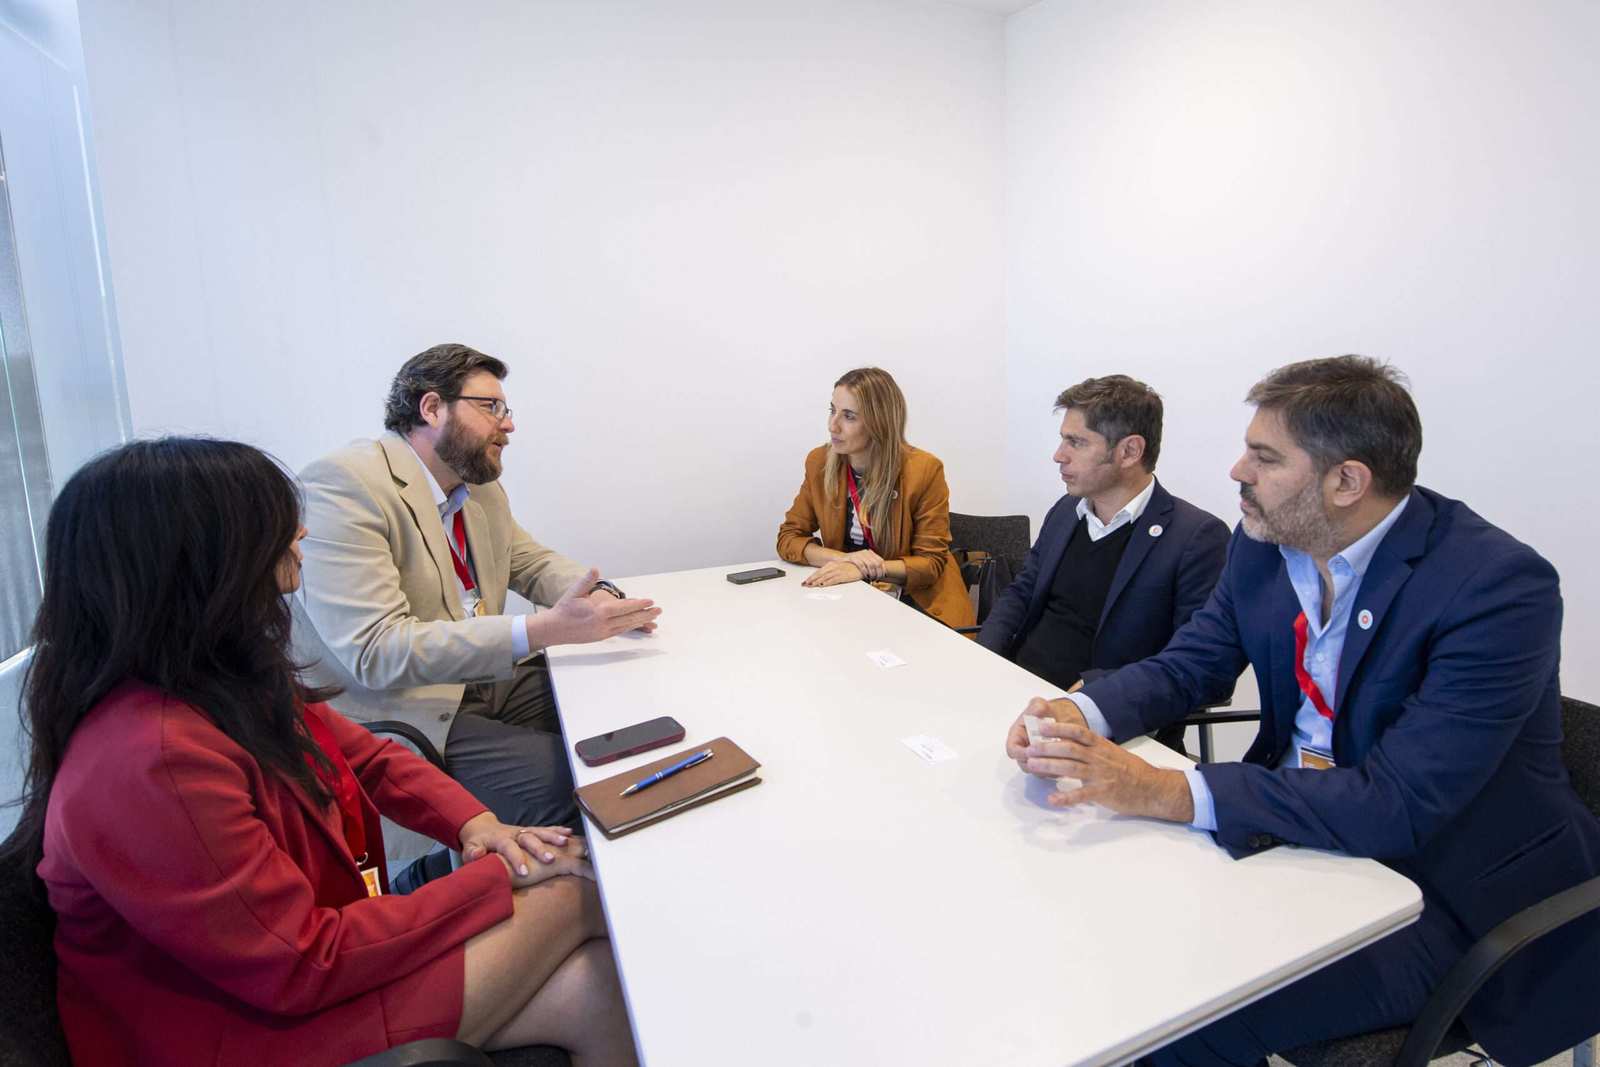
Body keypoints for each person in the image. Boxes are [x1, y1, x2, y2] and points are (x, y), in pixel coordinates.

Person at [1004, 356, 1600, 1065]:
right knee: (1092, 930)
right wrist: (1082, 712)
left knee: (1167, 1018)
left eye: (1263, 456)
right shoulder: (1265, 544)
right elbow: (1192, 661)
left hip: (1439, 890)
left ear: (1347, 480)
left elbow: (1398, 802)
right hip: (1297, 842)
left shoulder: (1497, 589)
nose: (1235, 471)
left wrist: (1164, 789)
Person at [0, 438, 636, 1066]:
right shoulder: (150, 759)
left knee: (598, 986)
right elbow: (303, 961)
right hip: (237, 1031)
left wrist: (480, 827)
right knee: (584, 890)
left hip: (292, 983)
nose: (301, 533)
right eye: (277, 523)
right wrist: (499, 873)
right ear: (206, 560)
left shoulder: (217, 681)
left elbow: (367, 758)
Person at [292, 343, 660, 891]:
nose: (508, 425)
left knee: (628, 704)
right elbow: (374, 652)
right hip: (405, 707)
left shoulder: (479, 489)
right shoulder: (344, 486)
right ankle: (489, 887)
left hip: (478, 679)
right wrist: (540, 631)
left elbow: (526, 561)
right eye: (491, 407)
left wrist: (601, 597)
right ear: (432, 408)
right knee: (568, 784)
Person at [977, 375, 1228, 749]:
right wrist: (983, 655)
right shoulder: (1066, 511)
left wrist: (1098, 693)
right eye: (1064, 439)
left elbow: (1198, 666)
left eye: (1075, 442)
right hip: (1019, 693)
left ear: (1129, 451)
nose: (1059, 454)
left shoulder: (1196, 537)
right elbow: (1022, 590)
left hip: (1108, 723)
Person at [777, 367, 975, 628]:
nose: (832, 425)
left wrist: (868, 568)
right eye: (832, 410)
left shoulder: (924, 470)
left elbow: (931, 564)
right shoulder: (820, 462)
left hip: (914, 602)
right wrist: (845, 560)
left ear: (878, 422)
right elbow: (789, 538)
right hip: (849, 595)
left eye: (848, 416)